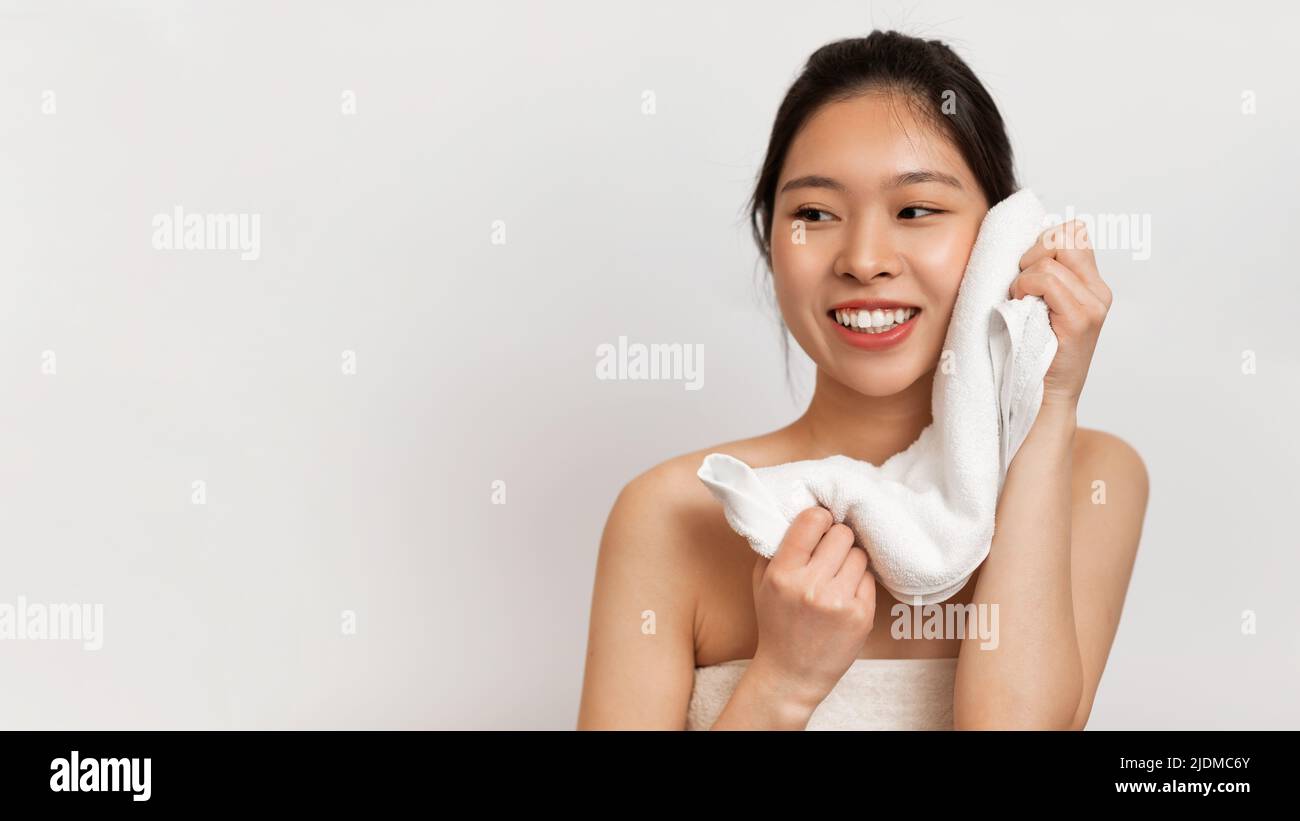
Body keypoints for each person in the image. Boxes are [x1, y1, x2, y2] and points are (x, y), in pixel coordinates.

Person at [577, 30, 1148, 730]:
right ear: (771, 242)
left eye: (916, 210)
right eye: (814, 214)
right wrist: (782, 683)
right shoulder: (673, 514)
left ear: (1000, 239)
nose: (865, 259)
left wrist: (1047, 402)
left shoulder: (1092, 475)